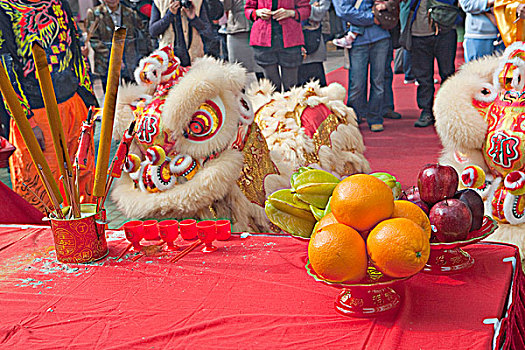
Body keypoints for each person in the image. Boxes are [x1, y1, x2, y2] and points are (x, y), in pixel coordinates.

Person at [0, 0, 98, 212]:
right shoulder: (3, 9)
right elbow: (4, 68)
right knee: (45, 194)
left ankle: (88, 239)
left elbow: (74, 47)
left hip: (73, 104)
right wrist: (27, 120)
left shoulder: (57, 1)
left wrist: (87, 98)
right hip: (36, 115)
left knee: (83, 182)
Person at [333, 0, 391, 132]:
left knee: (379, 82)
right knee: (357, 83)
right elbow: (343, 11)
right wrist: (371, 17)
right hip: (359, 41)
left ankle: (375, 117)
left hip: (380, 36)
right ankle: (354, 116)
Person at [408, 0, 457, 127]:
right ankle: (426, 110)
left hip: (444, 28)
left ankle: (447, 109)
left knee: (447, 73)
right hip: (419, 31)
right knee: (423, 76)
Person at [85, 0, 153, 92]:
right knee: (111, 99)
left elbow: (144, 35)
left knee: (134, 96)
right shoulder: (94, 13)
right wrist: (114, 58)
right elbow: (94, 39)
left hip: (130, 64)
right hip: (106, 63)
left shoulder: (130, 13)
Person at [245, 0, 311, 92]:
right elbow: (248, 9)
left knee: (291, 87)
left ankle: (291, 105)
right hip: (264, 39)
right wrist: (257, 12)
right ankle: (275, 106)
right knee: (272, 87)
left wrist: (291, 13)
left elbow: (306, 10)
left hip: (290, 39)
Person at [149, 0, 218, 67]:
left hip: (194, 60)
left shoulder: (198, 2)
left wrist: (194, 18)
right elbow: (153, 31)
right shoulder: (159, 2)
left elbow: (208, 31)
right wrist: (170, 14)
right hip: (168, 62)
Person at [223, 0, 263, 83]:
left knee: (262, 69)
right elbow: (225, 7)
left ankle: (265, 93)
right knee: (236, 71)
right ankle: (239, 95)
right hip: (236, 32)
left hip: (259, 31)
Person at [298, 0, 331, 86]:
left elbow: (320, 12)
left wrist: (300, 8)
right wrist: (309, 7)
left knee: (318, 87)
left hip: (314, 40)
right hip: (292, 42)